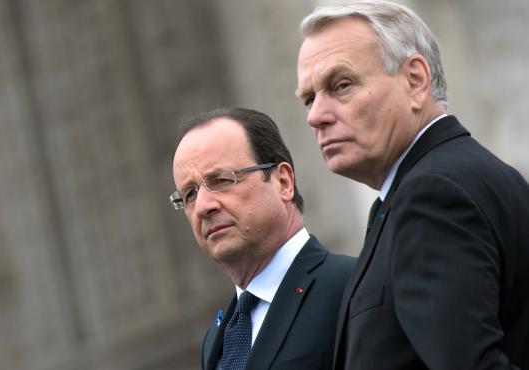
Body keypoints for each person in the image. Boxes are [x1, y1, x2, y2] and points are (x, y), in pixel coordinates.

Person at [295, 1, 529, 370]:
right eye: (309, 98)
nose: (315, 116)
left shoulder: (432, 196)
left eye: (340, 85)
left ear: (415, 80)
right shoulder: (453, 178)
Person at [170, 107, 355, 370]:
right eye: (189, 194)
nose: (202, 206)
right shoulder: (217, 340)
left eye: (221, 180)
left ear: (283, 182)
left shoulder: (351, 285)